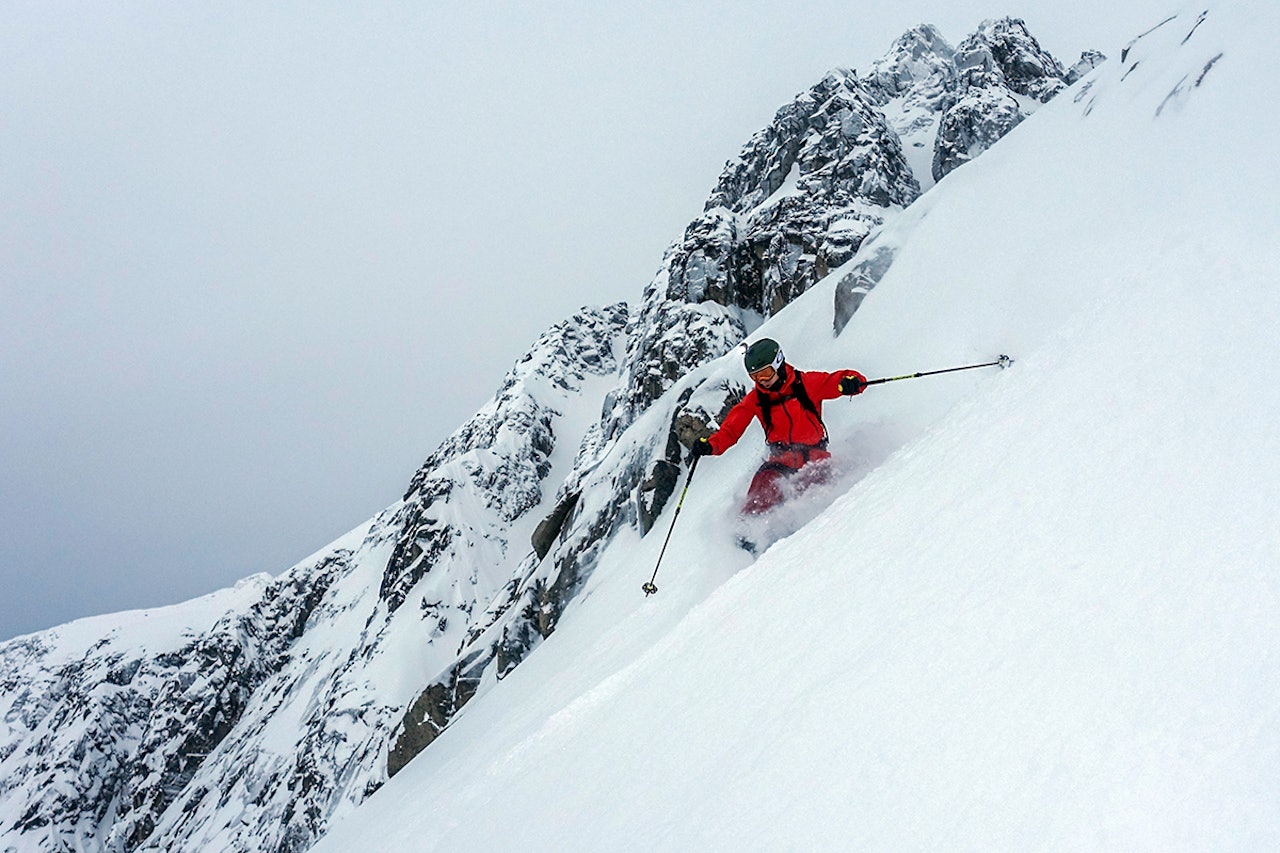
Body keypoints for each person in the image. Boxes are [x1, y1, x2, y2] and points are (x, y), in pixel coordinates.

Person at [690, 338, 868, 515]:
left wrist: (851, 382)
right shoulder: (756, 400)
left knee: (823, 491)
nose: (762, 380)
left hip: (815, 458)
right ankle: (748, 533)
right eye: (756, 376)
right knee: (760, 494)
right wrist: (711, 445)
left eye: (766, 373)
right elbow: (731, 430)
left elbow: (837, 380)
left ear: (778, 363)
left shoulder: (806, 384)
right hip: (780, 461)